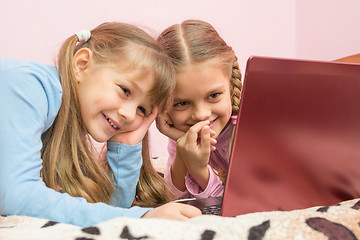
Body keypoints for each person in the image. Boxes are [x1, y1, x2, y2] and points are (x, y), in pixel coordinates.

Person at [0, 22, 201, 228]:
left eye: (142, 110)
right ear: (82, 65)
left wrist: (127, 143)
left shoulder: (64, 121)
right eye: (125, 90)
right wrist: (142, 217)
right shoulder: (28, 85)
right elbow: (15, 195)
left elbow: (113, 207)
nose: (129, 114)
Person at [156, 19, 242, 199]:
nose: (202, 115)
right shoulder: (186, 133)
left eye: (213, 95)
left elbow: (239, 202)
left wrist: (199, 171)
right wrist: (182, 149)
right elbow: (173, 197)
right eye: (181, 103)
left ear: (231, 83)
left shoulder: (247, 131)